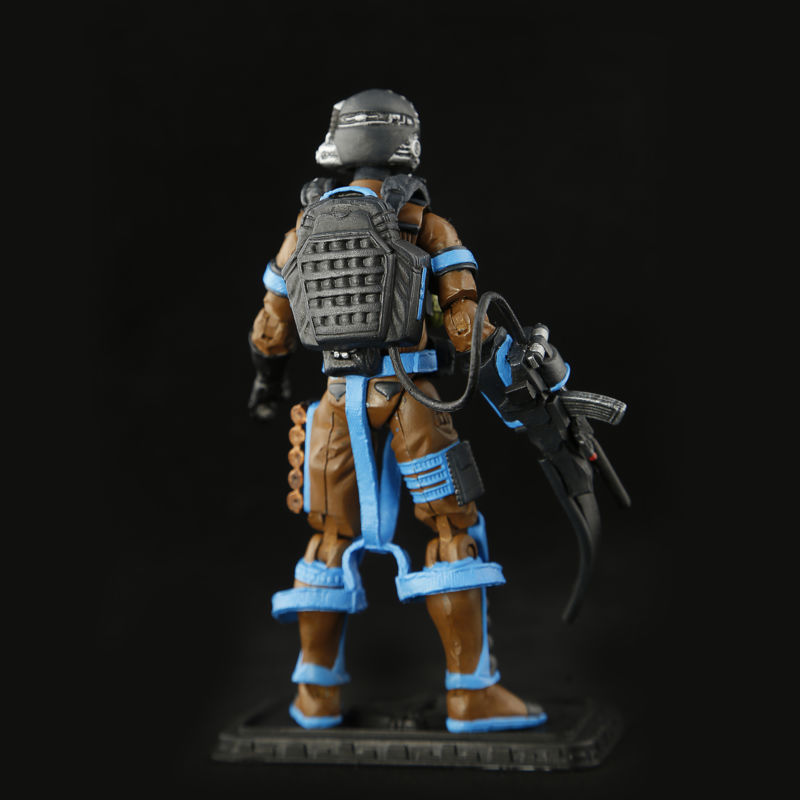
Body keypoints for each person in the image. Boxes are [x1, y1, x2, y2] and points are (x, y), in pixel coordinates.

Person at [247, 89, 548, 733]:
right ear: (405, 145)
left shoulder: (303, 228)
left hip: (335, 404)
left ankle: (314, 697)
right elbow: (468, 330)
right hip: (411, 400)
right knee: (452, 531)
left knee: (328, 541)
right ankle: (471, 694)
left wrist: (267, 384)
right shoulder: (425, 224)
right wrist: (531, 388)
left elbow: (270, 330)